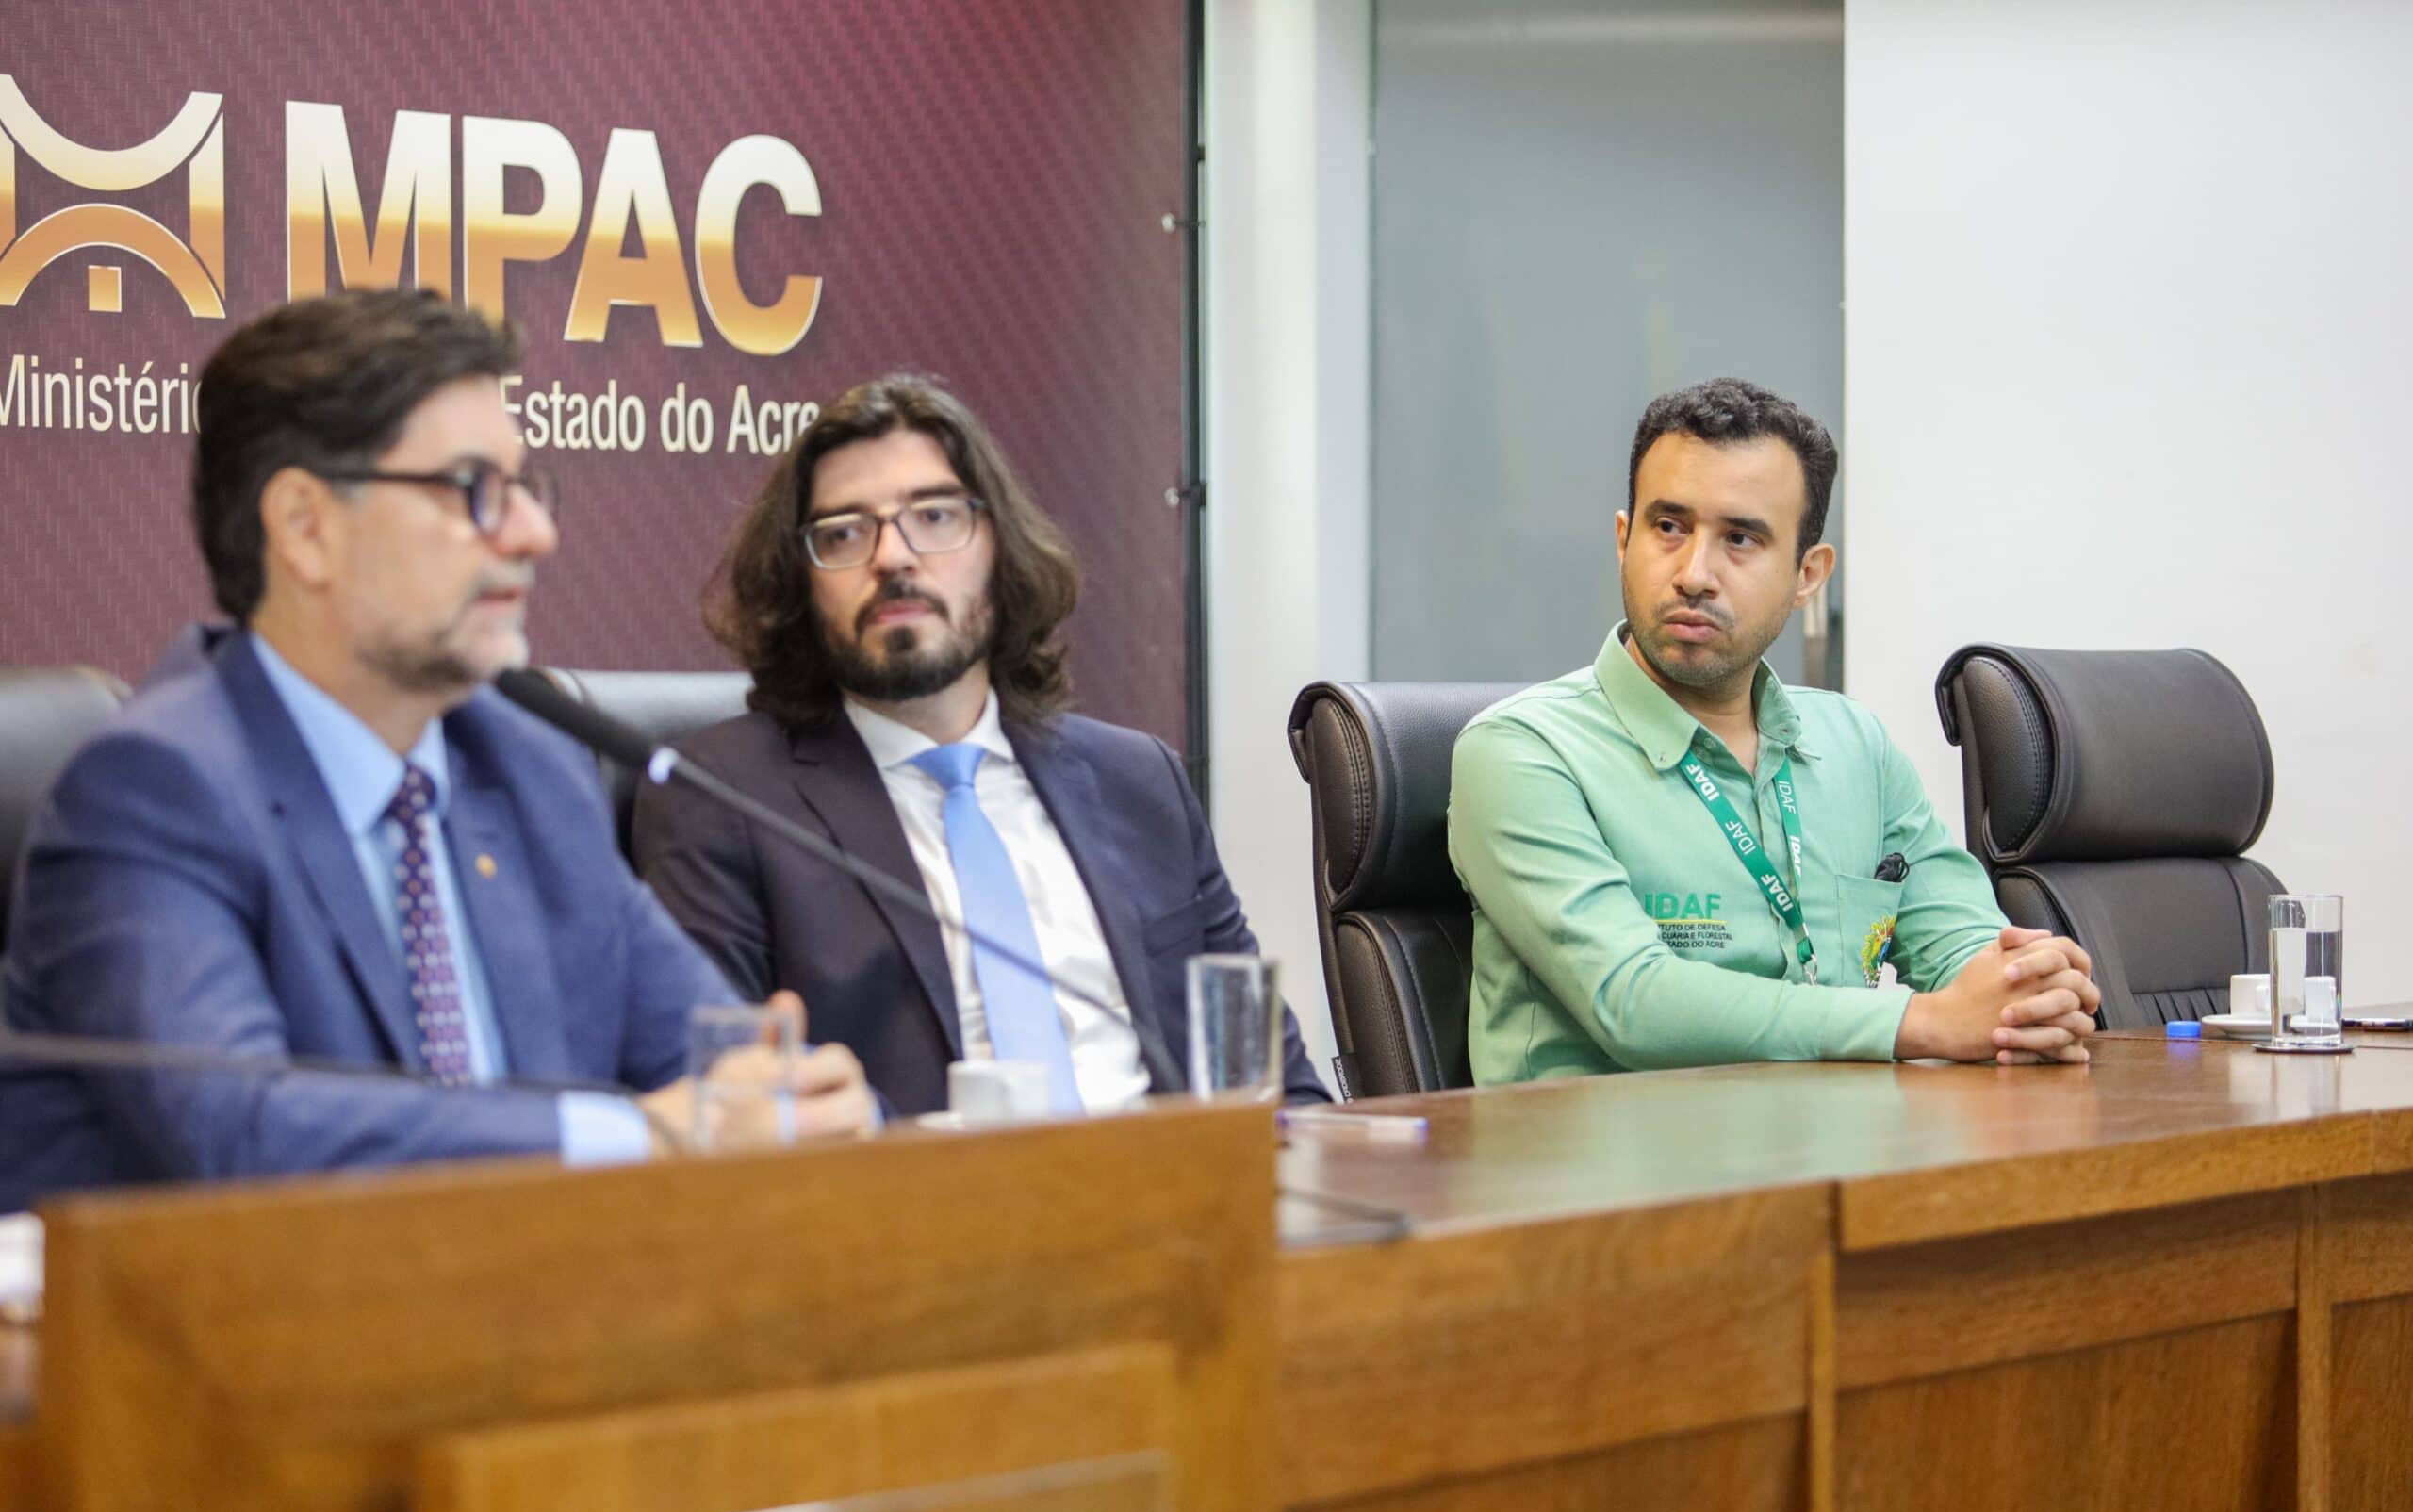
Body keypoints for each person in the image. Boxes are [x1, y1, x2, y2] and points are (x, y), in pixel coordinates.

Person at [0, 289, 870, 1206]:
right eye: (472, 490)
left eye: (527, 487)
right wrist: (645, 1134)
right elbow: (247, 1135)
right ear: (305, 526)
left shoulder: (529, 768)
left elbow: (714, 1055)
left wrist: (802, 1104)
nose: (536, 533)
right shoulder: (157, 788)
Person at [633, 374, 1323, 1115]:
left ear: (1000, 547)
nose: (893, 557)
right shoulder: (724, 799)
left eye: (934, 516)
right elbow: (724, 1119)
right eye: (843, 533)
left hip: (1179, 1204)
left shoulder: (1138, 782)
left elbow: (1283, 1091)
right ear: (800, 584)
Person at [1449, 377, 2101, 1083]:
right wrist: (1919, 1023)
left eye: (1740, 538)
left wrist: (2026, 989)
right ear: (1622, 538)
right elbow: (1632, 1001)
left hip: (1833, 1155)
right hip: (1606, 1178)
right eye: (1668, 526)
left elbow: (1964, 940)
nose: (1694, 573)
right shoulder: (1521, 752)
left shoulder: (1856, 746)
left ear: (1808, 574)